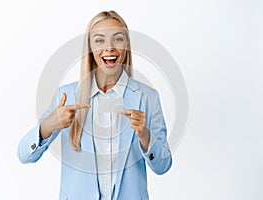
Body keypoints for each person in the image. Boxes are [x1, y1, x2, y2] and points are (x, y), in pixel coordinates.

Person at [17, 10, 172, 200]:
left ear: (127, 45)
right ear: (90, 47)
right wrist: (50, 124)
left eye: (118, 39)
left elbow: (163, 166)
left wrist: (145, 136)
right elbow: (25, 155)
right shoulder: (67, 96)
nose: (109, 47)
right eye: (99, 40)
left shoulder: (148, 97)